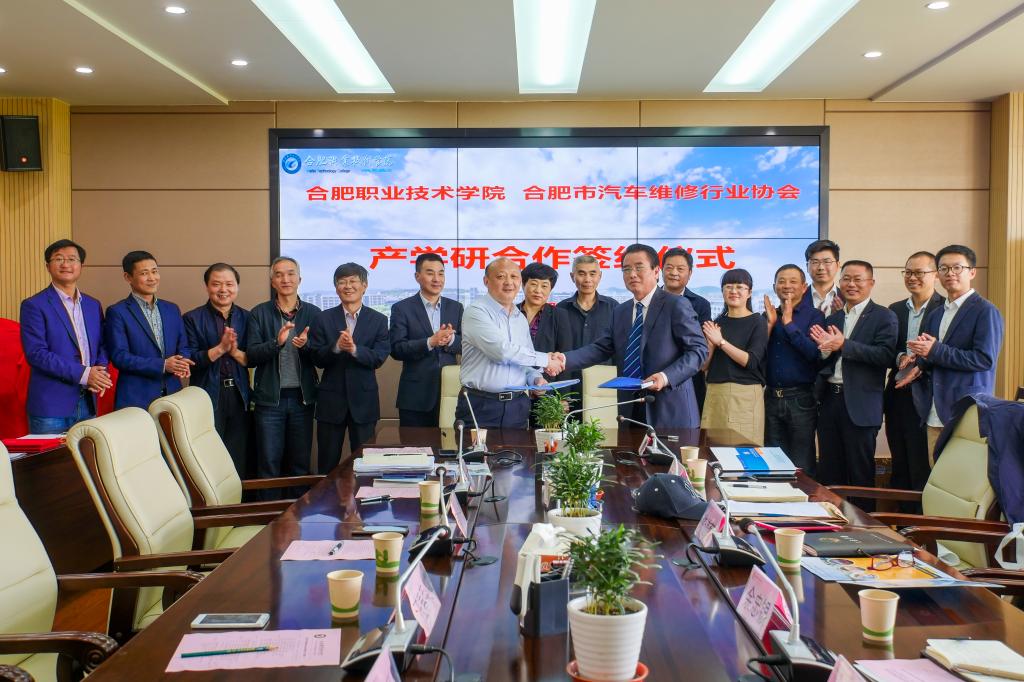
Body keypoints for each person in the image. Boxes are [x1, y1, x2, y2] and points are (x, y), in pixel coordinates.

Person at [561, 243, 707, 429]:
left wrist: (665, 377)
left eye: (639, 268)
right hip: (629, 409)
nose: (632, 274)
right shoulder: (620, 311)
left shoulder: (676, 305)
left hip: (670, 409)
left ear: (656, 271)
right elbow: (601, 347)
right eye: (626, 269)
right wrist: (563, 359)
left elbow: (698, 351)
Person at [900, 244, 1004, 457]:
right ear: (938, 274)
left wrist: (935, 350)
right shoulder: (936, 314)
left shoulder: (986, 311)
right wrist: (919, 364)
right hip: (934, 410)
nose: (950, 273)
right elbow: (933, 355)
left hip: (966, 410)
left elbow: (984, 359)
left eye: (957, 268)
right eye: (944, 268)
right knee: (935, 471)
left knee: (962, 474)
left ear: (972, 272)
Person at [810, 260, 898, 498]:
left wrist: (844, 344)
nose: (851, 284)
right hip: (830, 402)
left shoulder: (884, 316)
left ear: (871, 283)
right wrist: (825, 352)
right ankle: (832, 519)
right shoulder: (833, 319)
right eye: (846, 279)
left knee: (860, 474)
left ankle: (863, 521)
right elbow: (825, 362)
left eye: (858, 279)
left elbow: (885, 356)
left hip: (861, 406)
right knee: (829, 472)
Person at [247, 257, 321, 498]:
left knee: (300, 463)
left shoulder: (313, 313)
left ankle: (298, 513)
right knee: (268, 463)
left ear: (299, 279)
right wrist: (276, 343)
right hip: (269, 400)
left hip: (303, 399)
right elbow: (252, 355)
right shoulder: (259, 313)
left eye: (290, 274)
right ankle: (269, 516)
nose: (285, 279)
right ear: (272, 281)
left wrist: (306, 347)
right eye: (279, 275)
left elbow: (321, 357)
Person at [458, 258, 561, 430]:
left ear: (520, 282)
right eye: (501, 276)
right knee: (475, 449)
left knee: (518, 448)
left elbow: (524, 362)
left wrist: (535, 378)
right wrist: (546, 360)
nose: (509, 282)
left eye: (514, 277)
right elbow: (501, 352)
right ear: (486, 281)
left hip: (517, 406)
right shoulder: (476, 311)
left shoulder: (519, 318)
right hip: (481, 405)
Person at [20, 239, 112, 432]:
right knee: (51, 454)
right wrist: (85, 374)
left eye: (71, 259)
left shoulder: (93, 305)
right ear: (48, 266)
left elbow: (103, 344)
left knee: (86, 453)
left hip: (88, 401)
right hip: (51, 406)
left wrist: (99, 372)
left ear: (81, 266)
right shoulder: (34, 305)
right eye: (58, 259)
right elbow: (37, 353)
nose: (65, 264)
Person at [309, 263, 390, 472]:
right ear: (336, 288)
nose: (348, 286)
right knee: (327, 464)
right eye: (342, 282)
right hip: (330, 403)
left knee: (365, 465)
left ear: (364, 286)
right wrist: (336, 347)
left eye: (353, 281)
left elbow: (379, 358)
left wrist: (354, 349)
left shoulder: (379, 320)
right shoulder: (322, 318)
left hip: (364, 402)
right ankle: (326, 495)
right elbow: (316, 357)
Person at [183, 263, 251, 478]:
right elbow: (190, 359)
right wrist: (221, 348)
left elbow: (252, 358)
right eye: (216, 284)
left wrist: (235, 351)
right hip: (207, 394)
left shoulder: (247, 317)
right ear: (207, 287)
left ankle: (238, 498)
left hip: (240, 394)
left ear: (237, 286)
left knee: (238, 455)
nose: (223, 289)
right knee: (208, 455)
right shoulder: (192, 318)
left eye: (229, 284)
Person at [884, 252, 943, 493]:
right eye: (908, 272)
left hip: (927, 396)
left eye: (919, 272)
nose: (912, 277)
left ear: (935, 275)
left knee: (922, 464)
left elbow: (944, 351)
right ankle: (899, 516)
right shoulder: (895, 309)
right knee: (899, 462)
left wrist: (921, 361)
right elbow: (886, 349)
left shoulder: (944, 309)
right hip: (897, 393)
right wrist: (900, 357)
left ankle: (920, 516)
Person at [104, 251, 193, 409]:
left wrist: (182, 362)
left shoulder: (172, 309)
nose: (152, 278)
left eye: (155, 271)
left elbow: (184, 346)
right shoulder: (117, 312)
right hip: (136, 397)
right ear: (128, 277)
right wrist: (163, 365)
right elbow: (120, 357)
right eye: (144, 273)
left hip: (172, 395)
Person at [762, 264, 826, 474]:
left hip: (801, 399)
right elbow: (757, 355)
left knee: (802, 463)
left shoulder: (815, 316)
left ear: (804, 287)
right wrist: (770, 325)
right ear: (774, 286)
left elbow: (814, 354)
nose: (786, 285)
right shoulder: (768, 316)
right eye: (781, 281)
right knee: (773, 462)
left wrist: (789, 324)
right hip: (771, 397)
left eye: (793, 281)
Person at [389, 253, 463, 427]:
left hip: (450, 393)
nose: (437, 279)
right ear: (417, 276)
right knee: (414, 443)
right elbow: (396, 349)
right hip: (415, 396)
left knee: (451, 442)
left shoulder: (456, 307)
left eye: (441, 273)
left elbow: (467, 345)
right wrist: (430, 342)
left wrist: (451, 340)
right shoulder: (401, 308)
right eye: (430, 273)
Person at [699, 269, 768, 445]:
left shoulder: (757, 321)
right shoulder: (717, 323)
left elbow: (751, 361)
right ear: (722, 291)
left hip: (743, 394)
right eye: (728, 287)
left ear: (749, 293)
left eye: (739, 287)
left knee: (742, 452)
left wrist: (721, 342)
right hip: (715, 392)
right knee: (712, 450)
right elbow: (704, 366)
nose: (733, 291)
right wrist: (711, 344)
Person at [518, 262, 574, 424]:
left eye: (544, 286)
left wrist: (562, 397)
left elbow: (564, 356)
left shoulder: (559, 315)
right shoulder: (511, 313)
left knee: (545, 436)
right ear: (523, 284)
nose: (538, 290)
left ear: (550, 289)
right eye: (533, 284)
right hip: (516, 389)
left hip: (548, 390)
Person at [661, 247, 712, 411]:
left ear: (690, 273)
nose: (674, 273)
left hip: (689, 378)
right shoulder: (649, 299)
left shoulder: (701, 304)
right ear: (661, 270)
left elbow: (701, 346)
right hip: (654, 376)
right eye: (669, 267)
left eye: (680, 269)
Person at [802, 239, 844, 315]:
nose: (821, 267)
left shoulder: (848, 299)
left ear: (838, 265)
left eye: (827, 261)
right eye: (815, 262)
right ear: (807, 266)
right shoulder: (797, 299)